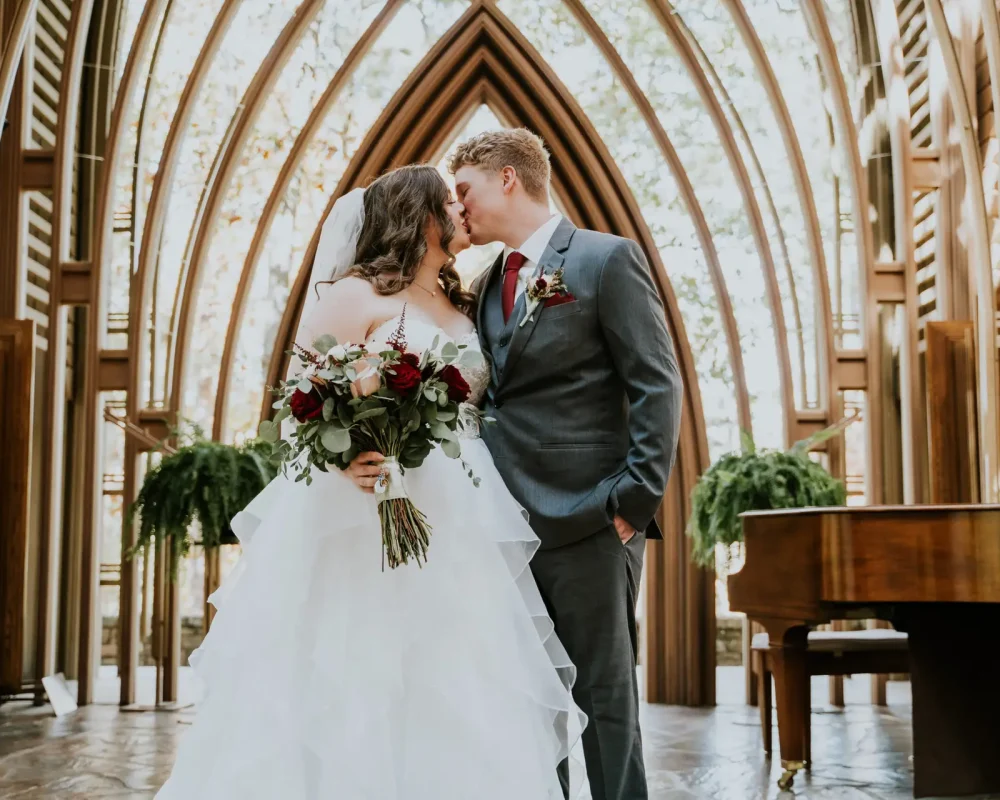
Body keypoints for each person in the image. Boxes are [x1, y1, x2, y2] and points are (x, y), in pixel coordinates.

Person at [155, 164, 584, 799]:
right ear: (420, 217)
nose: (463, 210)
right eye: (449, 201)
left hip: (462, 509)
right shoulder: (350, 296)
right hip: (368, 502)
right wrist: (343, 457)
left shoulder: (463, 299)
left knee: (457, 670)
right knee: (363, 663)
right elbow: (299, 400)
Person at [352, 130, 684, 800]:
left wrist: (632, 502)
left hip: (591, 517)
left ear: (507, 178)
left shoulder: (604, 260)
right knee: (529, 705)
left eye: (464, 190)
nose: (457, 208)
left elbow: (657, 384)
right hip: (501, 528)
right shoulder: (480, 286)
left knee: (606, 701)